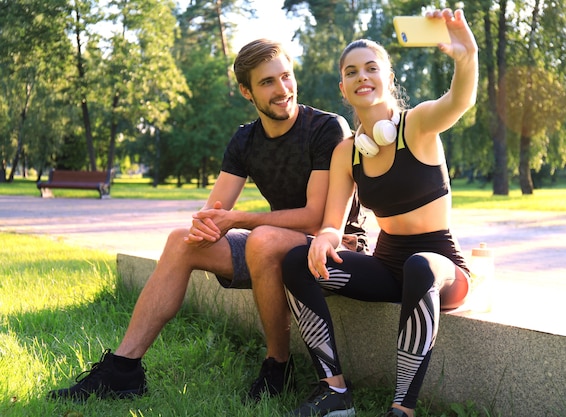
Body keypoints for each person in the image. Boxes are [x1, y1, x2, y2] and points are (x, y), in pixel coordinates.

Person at [47, 38, 367, 403]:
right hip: (274, 244)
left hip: (335, 248)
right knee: (181, 240)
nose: (283, 90)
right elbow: (214, 211)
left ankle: (278, 367)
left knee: (261, 238)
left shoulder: (326, 128)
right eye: (267, 83)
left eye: (286, 77)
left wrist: (240, 219)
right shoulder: (245, 139)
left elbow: (315, 220)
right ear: (247, 91)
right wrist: (205, 225)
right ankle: (124, 369)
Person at [281, 8, 478, 417]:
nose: (362, 77)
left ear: (388, 78)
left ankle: (401, 409)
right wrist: (324, 239)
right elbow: (333, 221)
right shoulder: (346, 151)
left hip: (440, 270)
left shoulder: (418, 124)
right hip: (388, 268)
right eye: (351, 72)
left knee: (420, 266)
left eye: (371, 68)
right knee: (297, 260)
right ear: (343, 87)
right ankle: (334, 390)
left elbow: (460, 100)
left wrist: (466, 57)